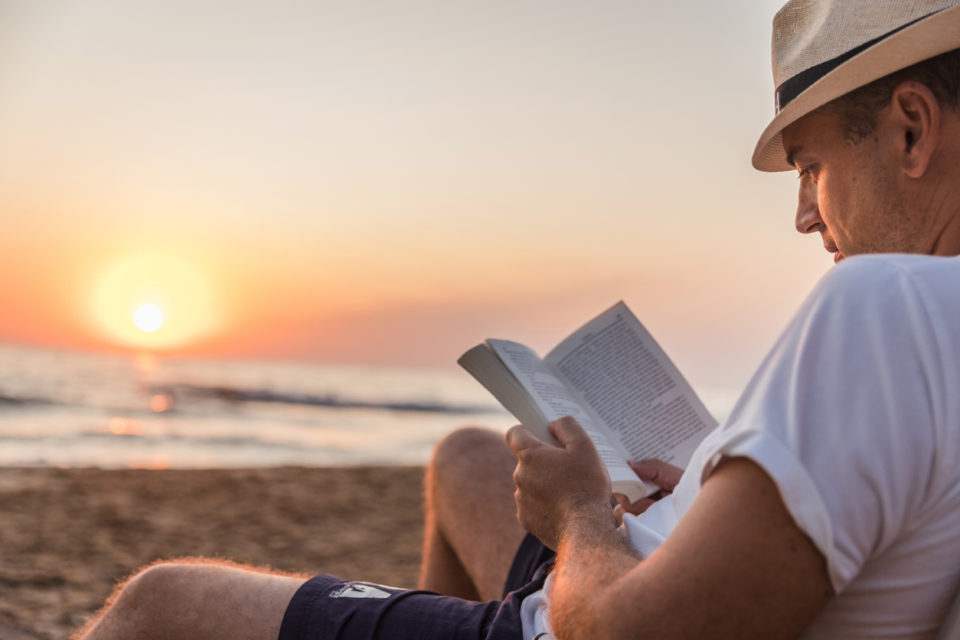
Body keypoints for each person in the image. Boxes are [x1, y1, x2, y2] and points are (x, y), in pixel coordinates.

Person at [74, 1, 960, 638]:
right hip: (642, 561)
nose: (806, 217)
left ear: (911, 132)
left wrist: (579, 515)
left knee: (160, 603)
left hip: (577, 616)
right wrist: (702, 487)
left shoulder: (884, 305)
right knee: (465, 460)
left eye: (810, 169)